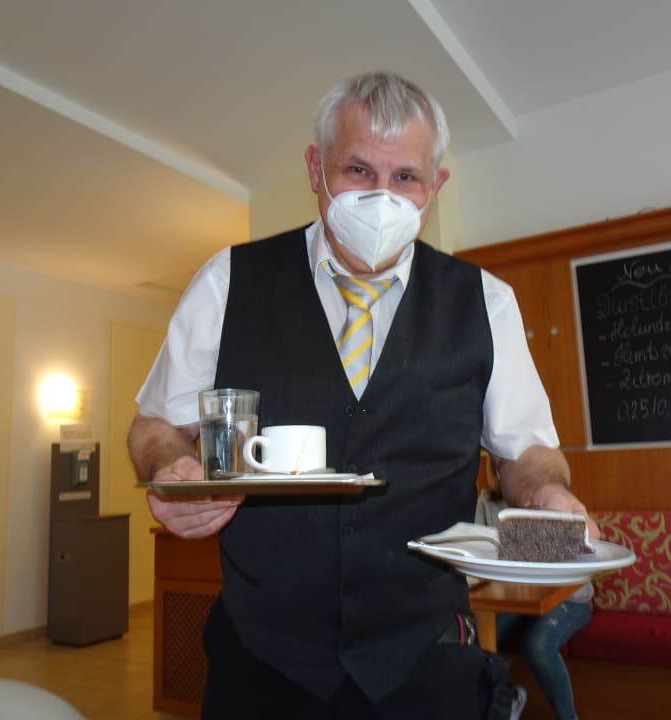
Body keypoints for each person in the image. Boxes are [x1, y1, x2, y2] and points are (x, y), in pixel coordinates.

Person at [128, 70, 599, 720]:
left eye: (405, 177)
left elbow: (528, 453)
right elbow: (155, 425)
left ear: (434, 187)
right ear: (316, 169)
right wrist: (169, 468)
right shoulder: (228, 282)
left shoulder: (486, 302)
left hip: (427, 663)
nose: (382, 196)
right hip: (259, 665)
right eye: (358, 170)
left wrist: (547, 494)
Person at [476, 459, 592, 720]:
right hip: (517, 602)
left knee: (537, 645)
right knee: (479, 638)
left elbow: (578, 555)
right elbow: (480, 552)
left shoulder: (550, 498)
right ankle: (507, 700)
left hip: (570, 598)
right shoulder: (487, 503)